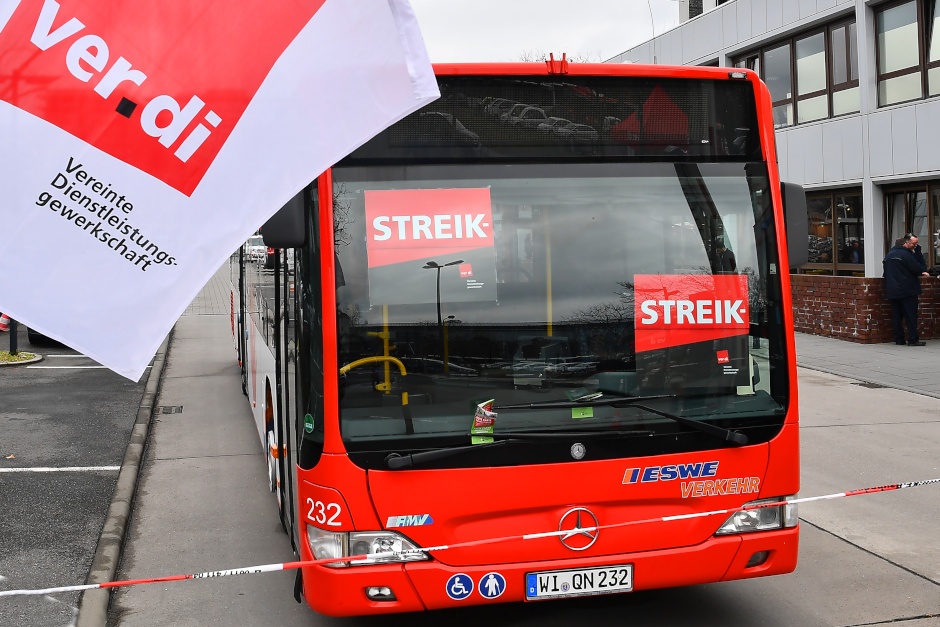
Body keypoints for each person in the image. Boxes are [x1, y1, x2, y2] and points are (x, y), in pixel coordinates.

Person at [883, 233, 929, 346]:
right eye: (914, 244)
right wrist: (918, 253)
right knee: (910, 316)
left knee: (897, 316)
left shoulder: (888, 256)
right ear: (906, 243)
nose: (915, 246)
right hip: (908, 290)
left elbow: (885, 274)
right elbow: (919, 269)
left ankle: (899, 339)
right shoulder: (906, 255)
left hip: (893, 290)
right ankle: (913, 339)